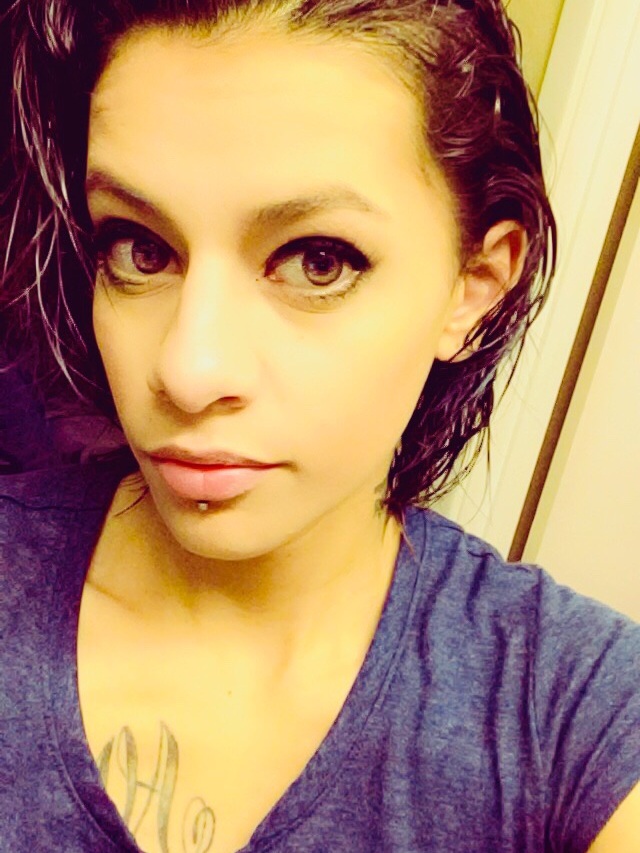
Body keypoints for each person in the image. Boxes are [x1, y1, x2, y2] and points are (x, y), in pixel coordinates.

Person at [0, 1, 638, 851]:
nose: (188, 369)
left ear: (474, 286)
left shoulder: (573, 714)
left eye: (317, 260)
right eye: (139, 249)